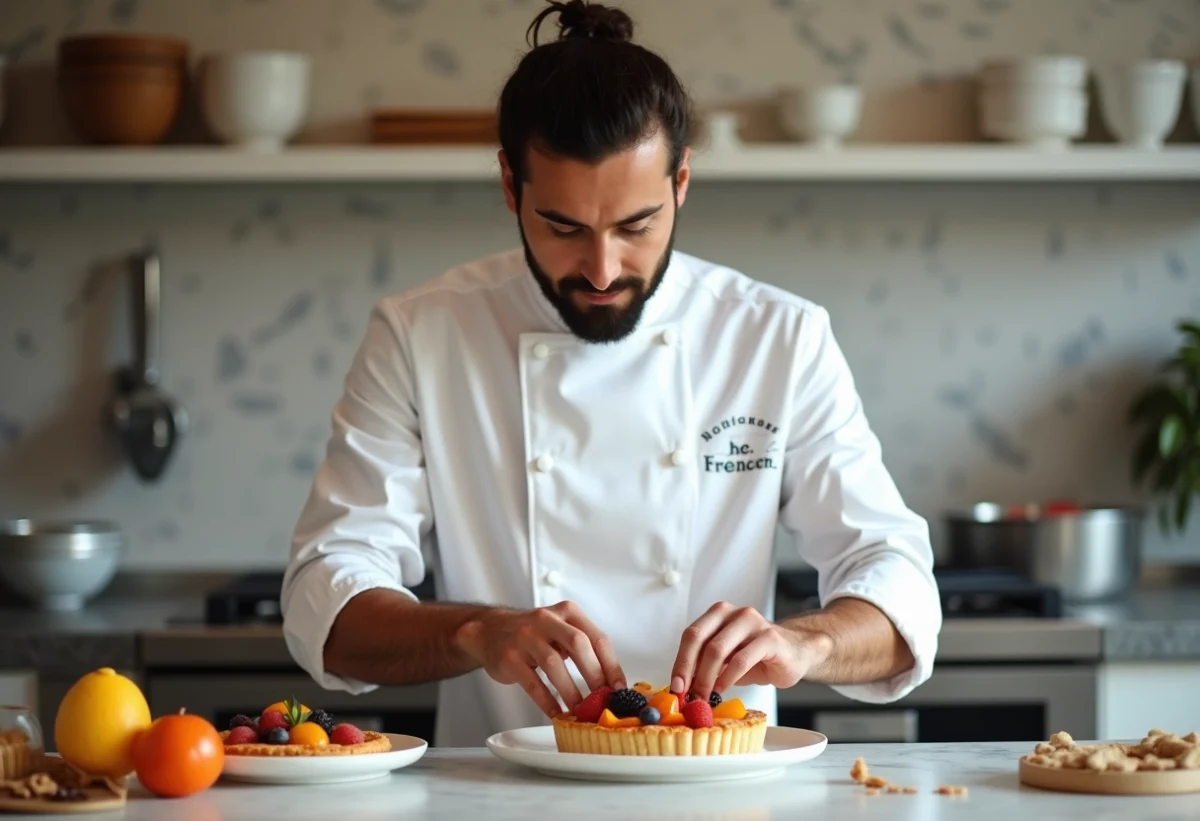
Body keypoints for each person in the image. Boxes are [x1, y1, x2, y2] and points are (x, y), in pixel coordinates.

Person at [281, 0, 942, 748]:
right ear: (509, 185)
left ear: (682, 182)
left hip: (720, 792)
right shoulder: (421, 333)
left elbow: (901, 588)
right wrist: (475, 631)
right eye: (563, 227)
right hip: (502, 796)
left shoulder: (776, 336)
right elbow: (322, 603)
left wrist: (807, 644)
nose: (601, 269)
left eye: (637, 226)